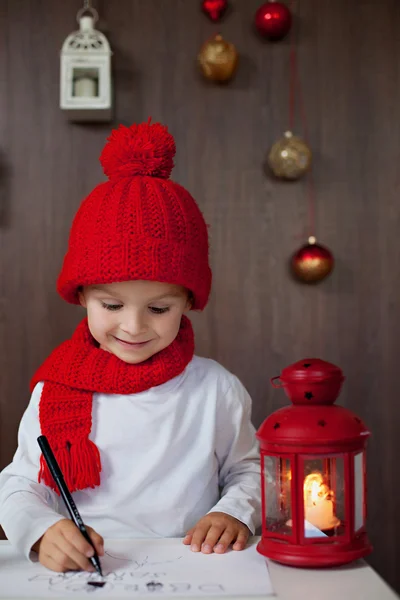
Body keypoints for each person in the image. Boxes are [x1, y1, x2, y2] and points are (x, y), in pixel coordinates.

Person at [0, 121, 261, 573]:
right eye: (112, 304)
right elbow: (19, 485)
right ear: (81, 295)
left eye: (158, 309)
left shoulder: (215, 389)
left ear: (188, 302)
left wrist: (233, 512)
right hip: (86, 572)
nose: (134, 325)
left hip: (194, 568)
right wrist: (41, 530)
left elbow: (251, 471)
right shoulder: (56, 389)